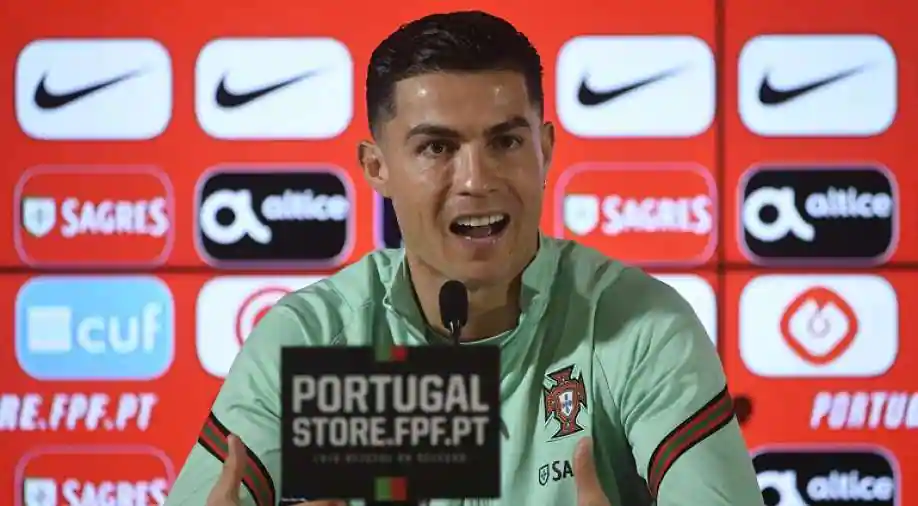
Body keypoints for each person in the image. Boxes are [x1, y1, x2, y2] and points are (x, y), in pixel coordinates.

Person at [165, 10, 764, 506]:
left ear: (546, 149)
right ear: (377, 168)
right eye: (437, 148)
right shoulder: (315, 340)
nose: (476, 180)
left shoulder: (639, 326)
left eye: (505, 141)